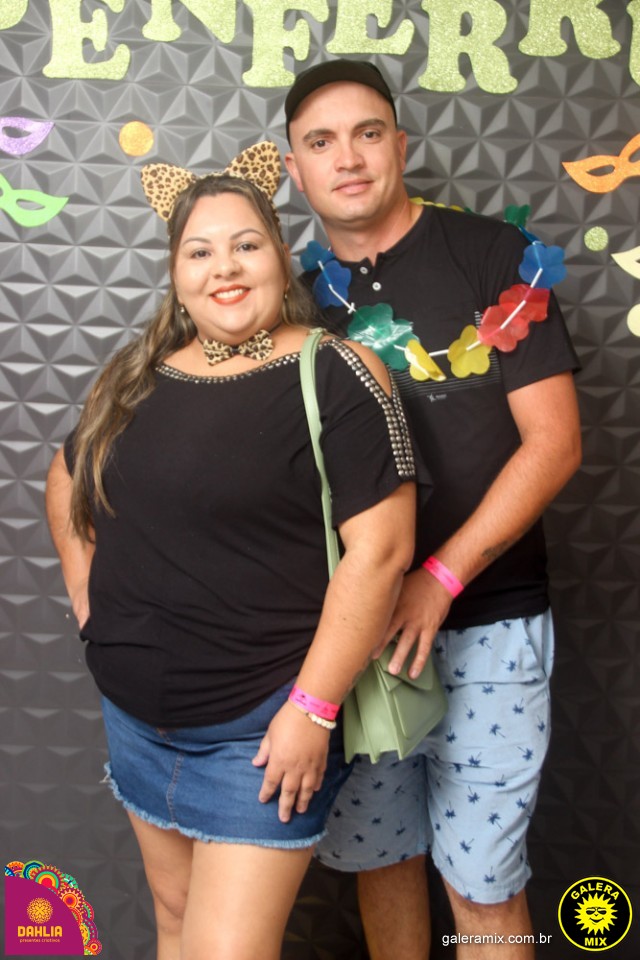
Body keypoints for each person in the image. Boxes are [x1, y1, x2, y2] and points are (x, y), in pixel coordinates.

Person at [45, 141, 417, 960]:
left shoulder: (338, 371)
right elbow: (67, 480)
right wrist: (89, 604)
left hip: (257, 732)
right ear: (176, 272)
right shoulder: (138, 374)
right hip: (134, 720)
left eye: (246, 244)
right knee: (174, 921)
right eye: (200, 251)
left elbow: (381, 554)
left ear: (279, 255)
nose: (225, 268)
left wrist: (312, 709)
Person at [284, 61, 582, 959]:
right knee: (384, 865)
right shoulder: (286, 297)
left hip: (489, 621)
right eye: (321, 142)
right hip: (356, 638)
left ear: (401, 145)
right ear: (294, 168)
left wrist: (439, 578)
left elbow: (554, 444)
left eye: (367, 133)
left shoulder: (494, 255)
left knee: (483, 884)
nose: (348, 158)